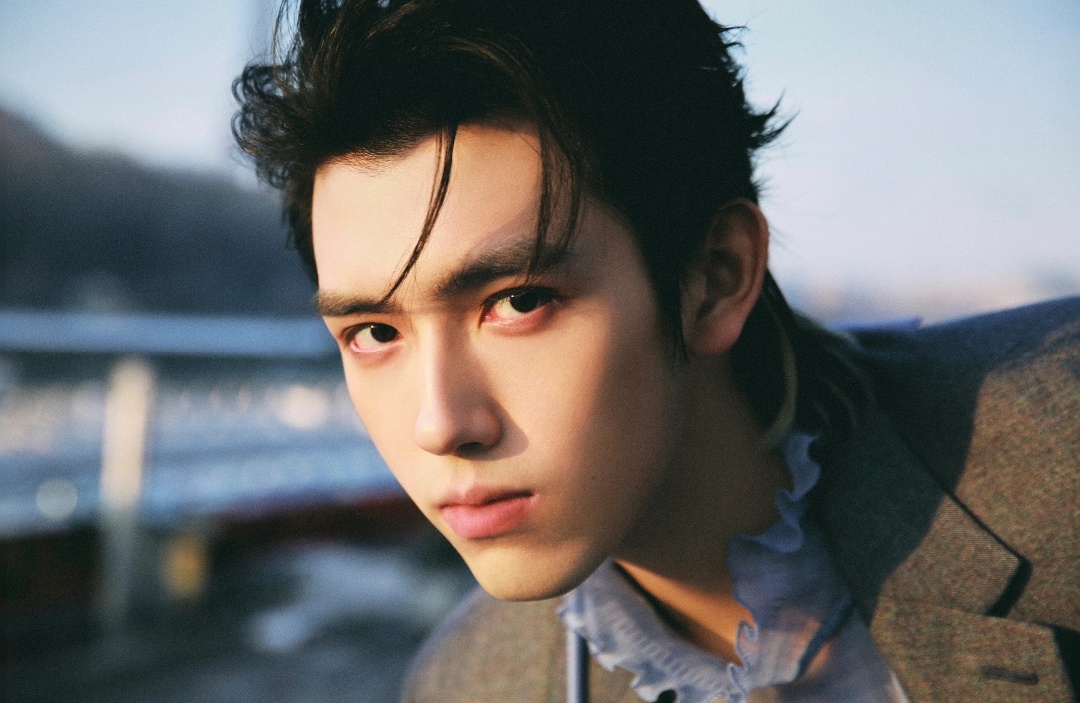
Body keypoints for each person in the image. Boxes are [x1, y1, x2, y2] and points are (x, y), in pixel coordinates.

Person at [232, 0, 1079, 700]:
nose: (440, 423)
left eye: (517, 302)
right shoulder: (467, 684)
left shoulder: (1060, 459)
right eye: (375, 332)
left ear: (715, 276)